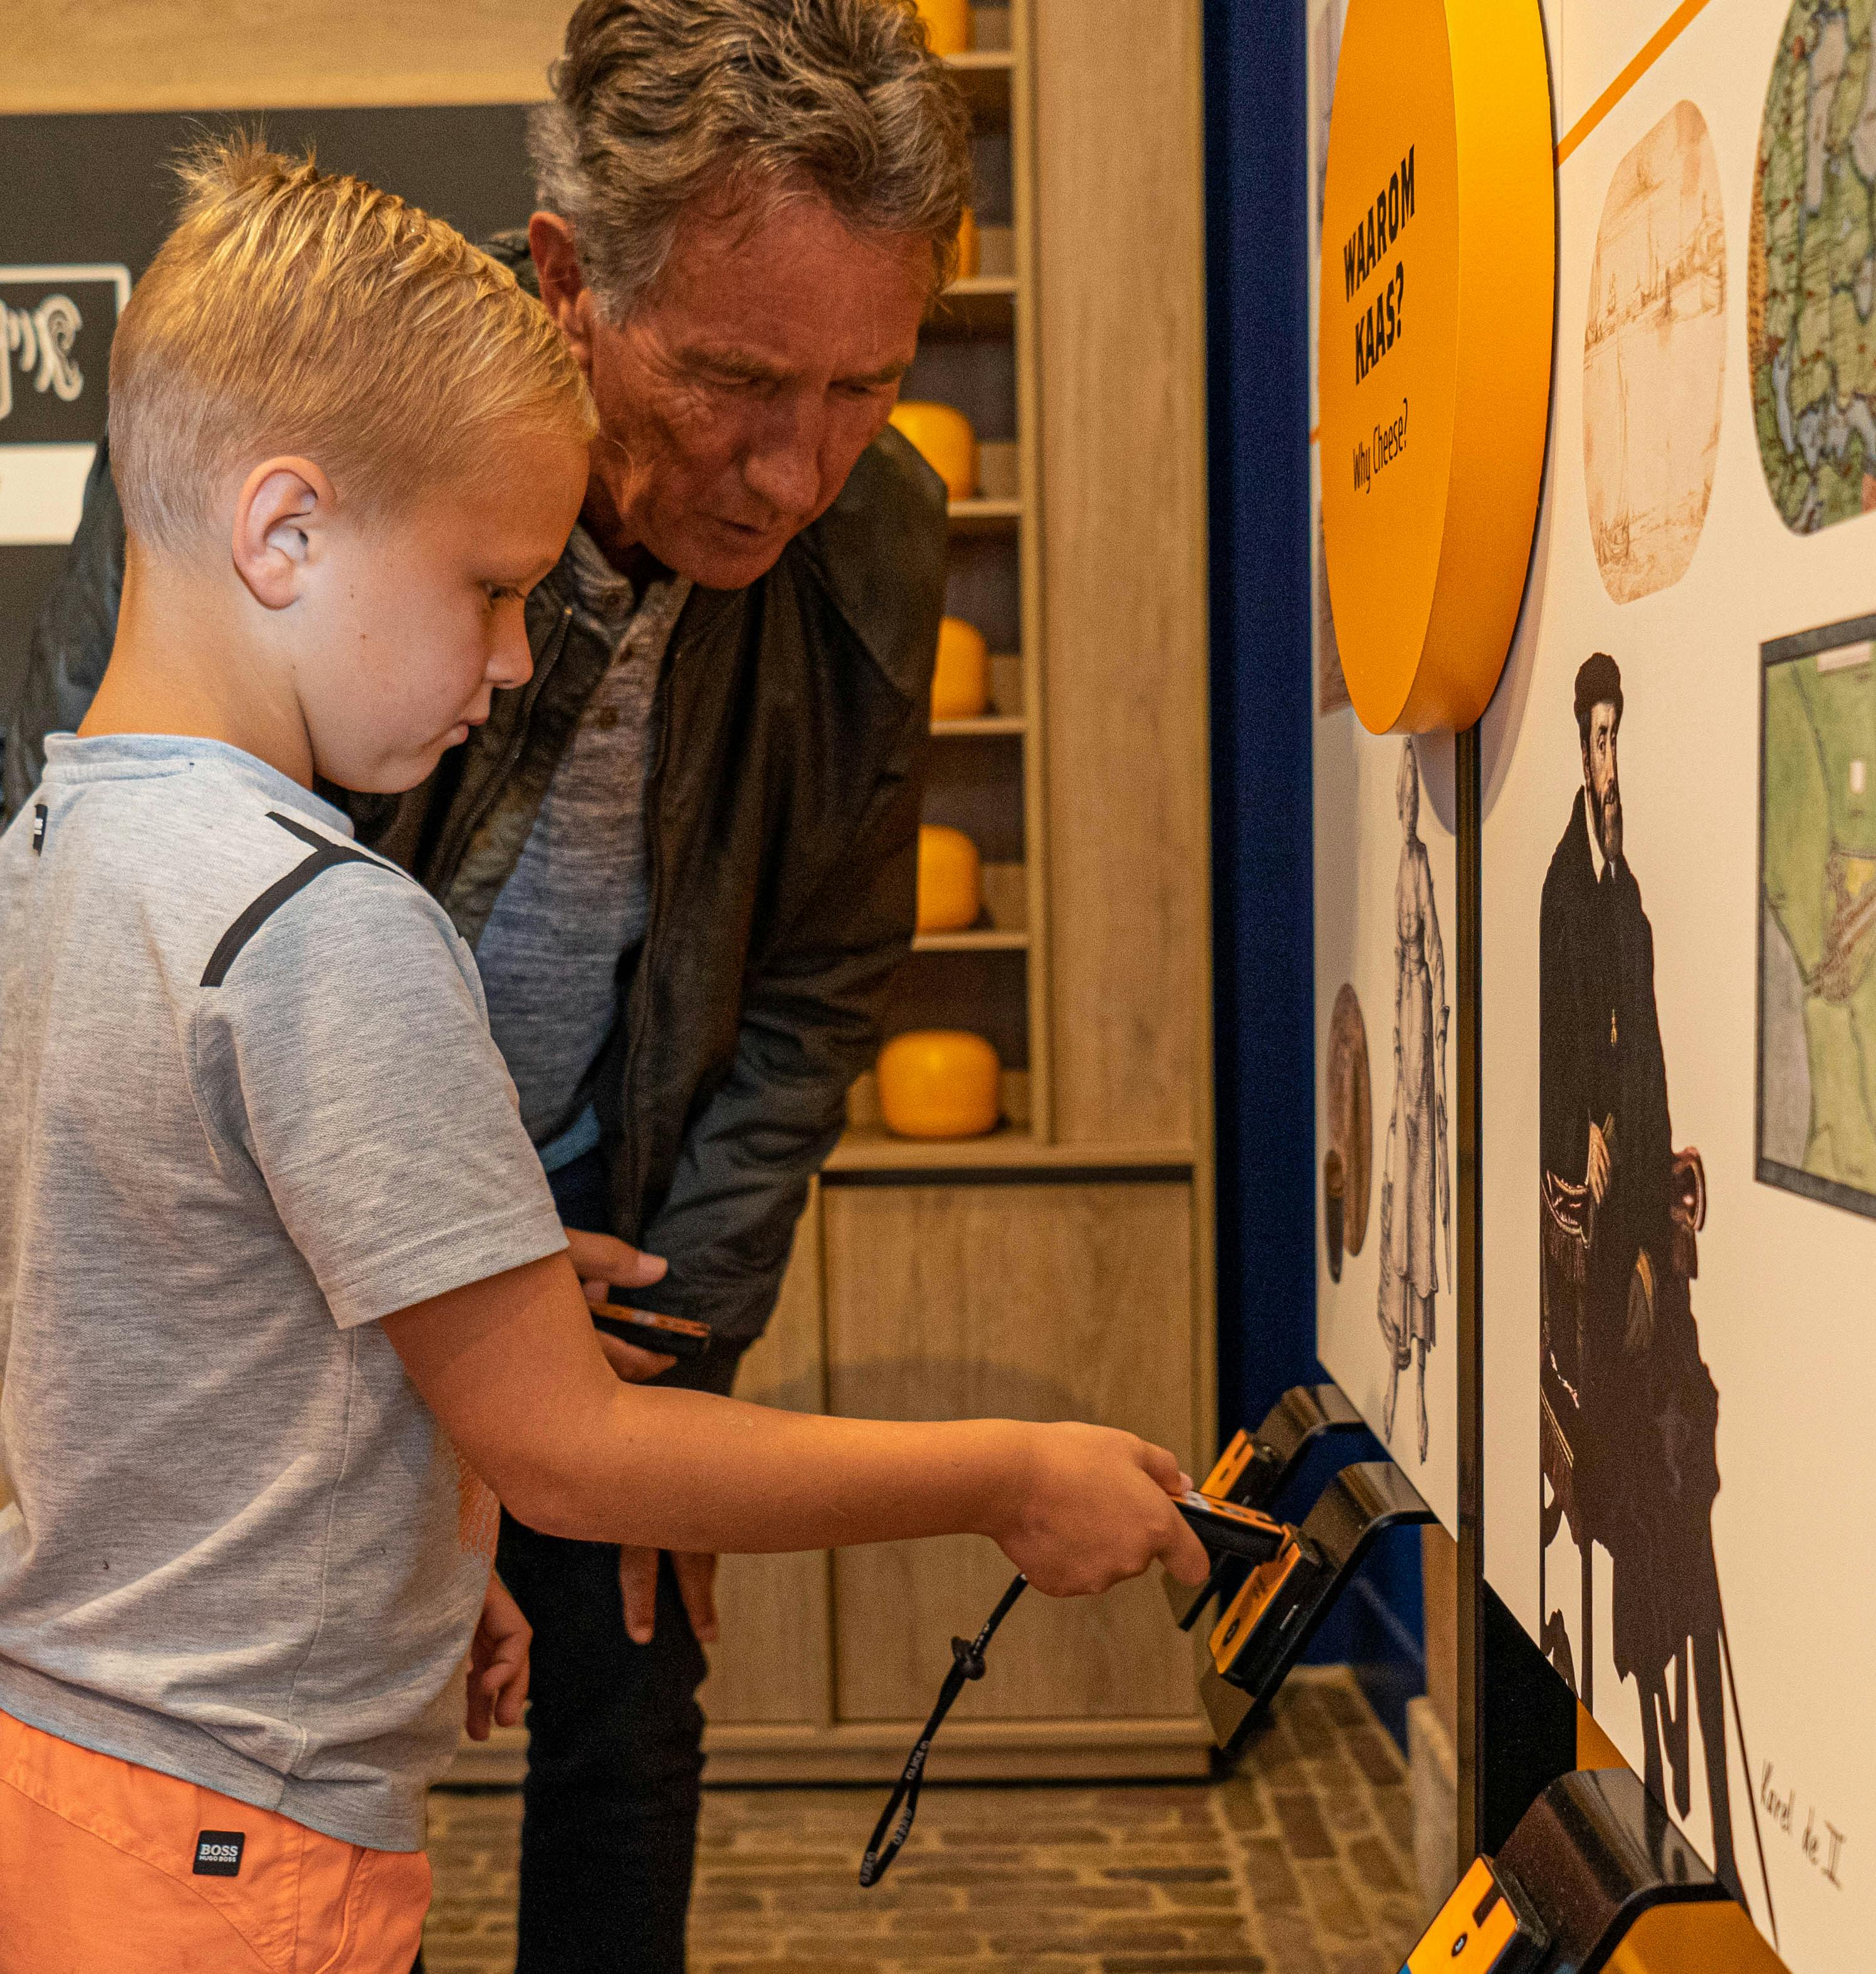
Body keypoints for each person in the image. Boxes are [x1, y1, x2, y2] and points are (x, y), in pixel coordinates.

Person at [0, 139, 1208, 1974]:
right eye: (491, 587)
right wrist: (1003, 1470)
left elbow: (182, 1330)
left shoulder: (50, 858)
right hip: (251, 1855)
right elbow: (571, 1452)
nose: (510, 664)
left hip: (68, 1777)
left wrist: (400, 1549)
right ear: (283, 532)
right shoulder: (329, 927)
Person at [1538, 653, 1744, 1906]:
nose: (1607, 758)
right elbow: (1572, 1033)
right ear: (1579, 742)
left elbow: (1645, 1031)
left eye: (1617, 733)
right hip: (1593, 1213)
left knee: (1670, 1409)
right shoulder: (1572, 880)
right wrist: (1583, 1138)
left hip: (1634, 1216)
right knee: (1619, 1430)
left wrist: (1650, 1163)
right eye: (1595, 735)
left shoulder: (1622, 878)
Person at [1376, 739, 1449, 1461]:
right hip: (1403, 1047)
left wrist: (1431, 1035)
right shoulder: (1400, 858)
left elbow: (1435, 960)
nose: (1403, 804)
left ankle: (1419, 1387)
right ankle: (1398, 1385)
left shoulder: (1421, 864)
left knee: (1417, 1221)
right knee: (1396, 1202)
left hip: (1419, 1058)